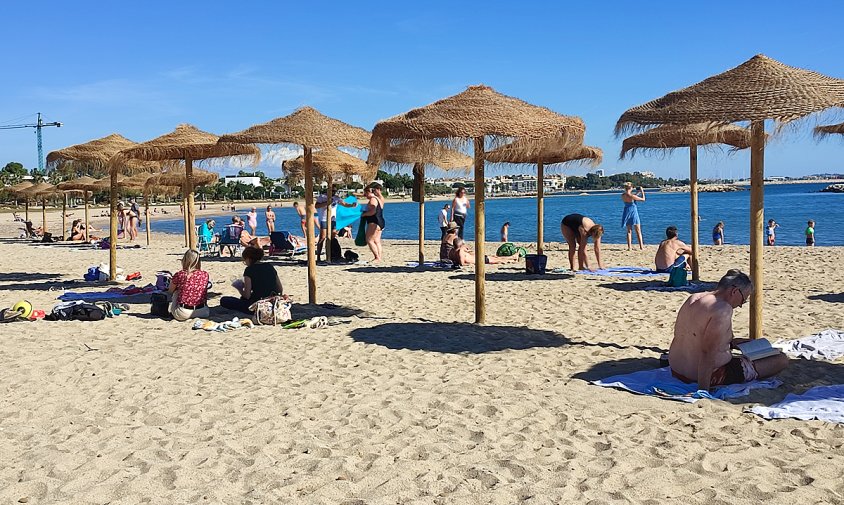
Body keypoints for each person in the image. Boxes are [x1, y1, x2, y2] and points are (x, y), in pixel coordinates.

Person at [668, 269, 789, 391]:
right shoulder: (722, 309)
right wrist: (703, 390)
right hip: (704, 375)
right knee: (781, 359)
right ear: (735, 291)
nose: (740, 305)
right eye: (743, 300)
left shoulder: (693, 298)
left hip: (676, 369)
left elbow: (694, 335)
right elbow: (707, 352)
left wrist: (731, 342)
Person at [220, 246, 284, 314]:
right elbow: (280, 289)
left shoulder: (249, 270)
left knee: (224, 300)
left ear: (248, 259)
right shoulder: (269, 266)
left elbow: (247, 296)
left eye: (244, 260)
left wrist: (240, 288)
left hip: (257, 305)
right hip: (273, 303)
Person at [168, 249, 211, 321]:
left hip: (183, 312)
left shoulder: (180, 274)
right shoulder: (205, 274)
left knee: (176, 291)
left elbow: (170, 291)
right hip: (203, 311)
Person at [315, 191, 357, 261]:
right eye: (332, 190)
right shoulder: (322, 197)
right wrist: (326, 203)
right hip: (324, 218)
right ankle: (318, 256)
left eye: (335, 191)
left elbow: (344, 204)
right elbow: (316, 206)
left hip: (333, 219)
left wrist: (351, 205)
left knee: (333, 235)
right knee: (322, 237)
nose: (334, 192)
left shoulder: (336, 198)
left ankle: (330, 253)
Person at [448, 238, 521, 266]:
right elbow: (462, 263)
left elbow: (453, 260)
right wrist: (470, 264)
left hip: (480, 258)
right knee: (498, 260)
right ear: (461, 245)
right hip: (481, 260)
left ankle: (513, 257)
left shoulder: (452, 251)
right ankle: (513, 258)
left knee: (496, 257)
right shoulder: (460, 251)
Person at [361, 183, 385, 263]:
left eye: (365, 193)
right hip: (381, 221)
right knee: (377, 241)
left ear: (369, 192)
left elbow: (372, 211)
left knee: (369, 240)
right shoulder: (379, 198)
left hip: (374, 221)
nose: (365, 195)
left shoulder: (373, 200)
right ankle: (379, 257)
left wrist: (363, 214)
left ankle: (377, 257)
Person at [621, 182, 645, 251]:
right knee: (638, 231)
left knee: (629, 231)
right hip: (633, 213)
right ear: (631, 187)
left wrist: (637, 193)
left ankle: (629, 247)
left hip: (626, 212)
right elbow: (643, 199)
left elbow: (632, 198)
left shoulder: (623, 195)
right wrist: (642, 192)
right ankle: (641, 247)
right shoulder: (631, 196)